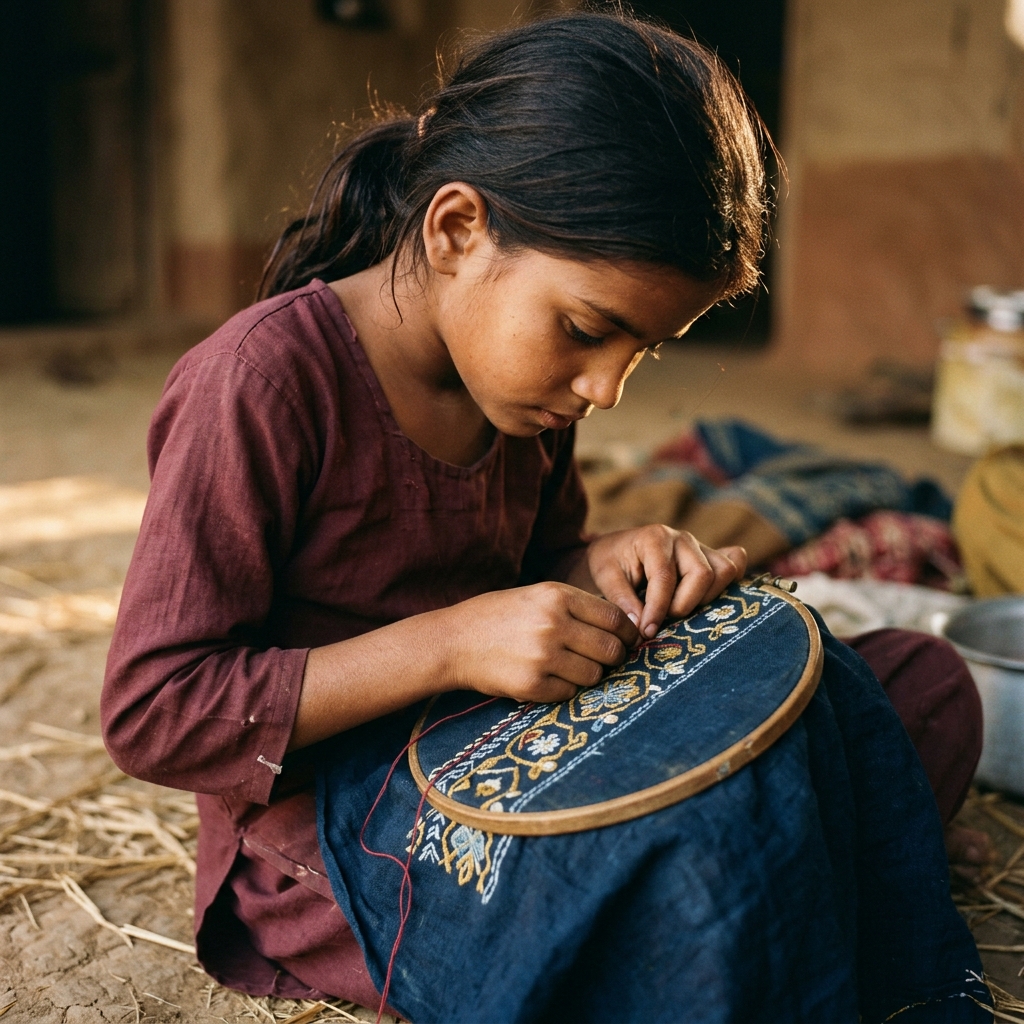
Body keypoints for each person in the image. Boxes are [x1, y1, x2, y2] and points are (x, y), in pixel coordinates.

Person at [102, 11, 989, 1022]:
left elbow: (543, 563)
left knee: (909, 687)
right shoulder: (259, 383)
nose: (606, 388)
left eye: (640, 353)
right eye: (587, 330)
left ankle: (778, 865)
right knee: (701, 853)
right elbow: (153, 709)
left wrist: (608, 563)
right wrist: (447, 646)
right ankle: (808, 864)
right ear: (456, 231)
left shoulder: (522, 389)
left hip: (522, 739)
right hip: (346, 834)